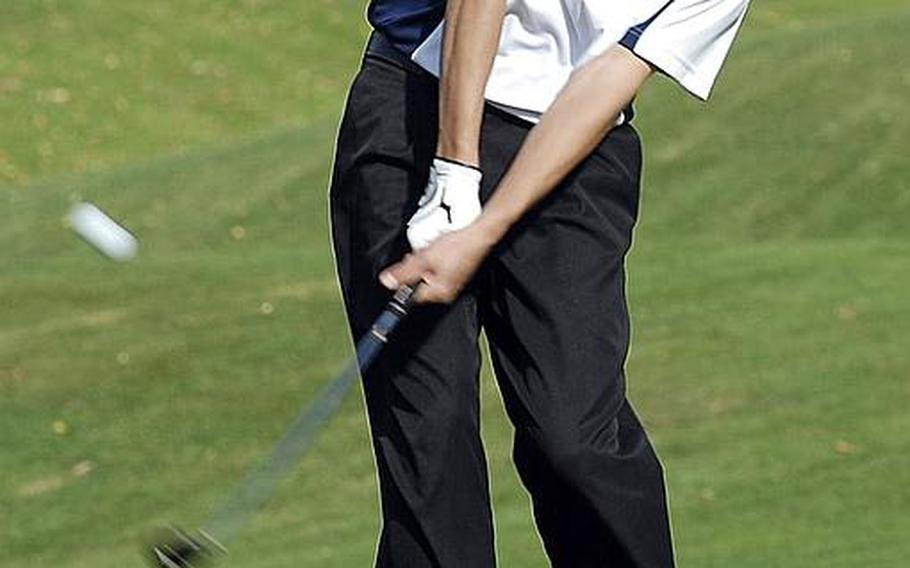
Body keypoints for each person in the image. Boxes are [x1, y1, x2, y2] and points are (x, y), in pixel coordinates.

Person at [329, 1, 750, 566]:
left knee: (575, 438)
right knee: (428, 435)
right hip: (419, 101)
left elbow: (614, 71)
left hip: (571, 147)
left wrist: (485, 226)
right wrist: (453, 171)